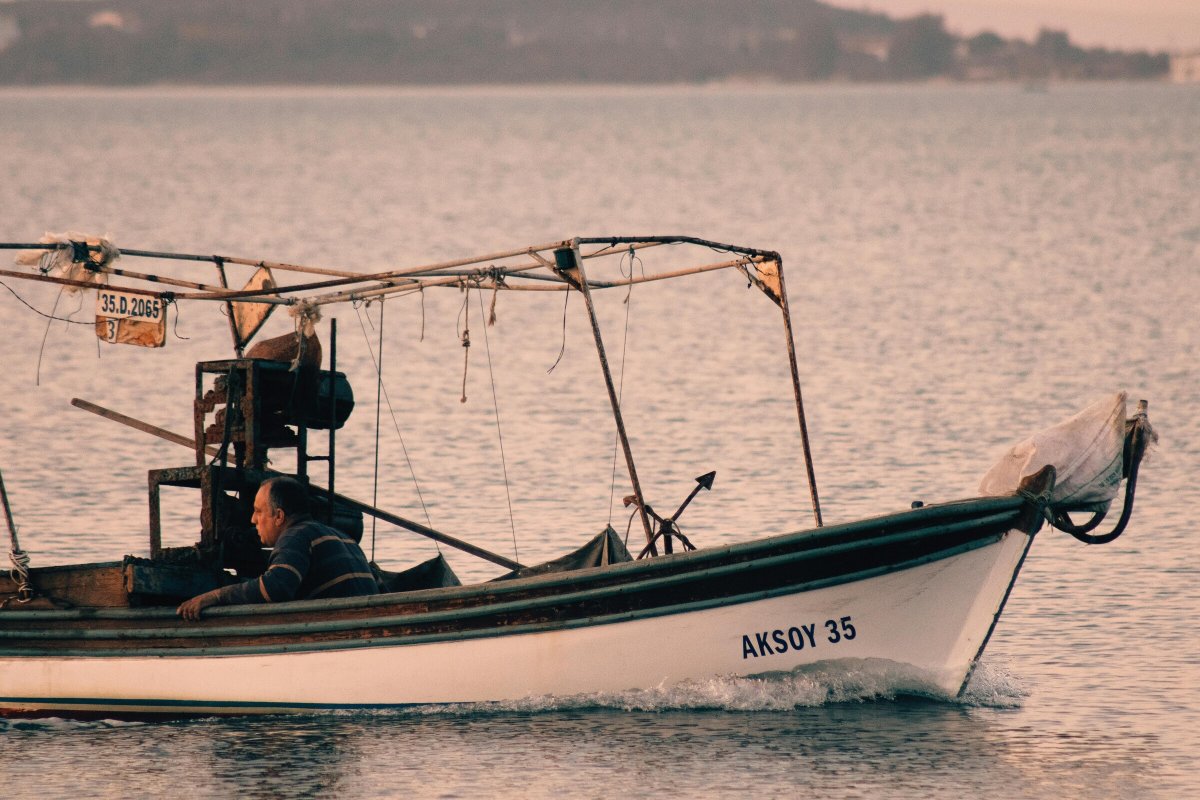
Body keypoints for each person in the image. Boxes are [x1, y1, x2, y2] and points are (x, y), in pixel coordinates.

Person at [177, 476, 378, 621]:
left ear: (279, 516)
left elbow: (275, 588)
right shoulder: (344, 537)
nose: (252, 519)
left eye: (258, 511)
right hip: (367, 621)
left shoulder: (295, 535)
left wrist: (215, 596)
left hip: (345, 626)